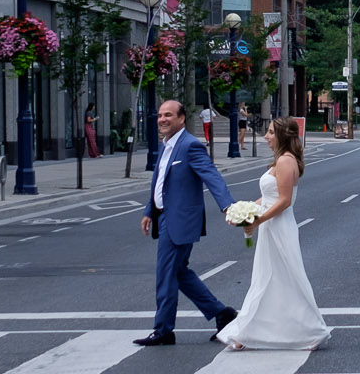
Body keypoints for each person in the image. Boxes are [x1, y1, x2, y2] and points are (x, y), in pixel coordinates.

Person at [215, 118, 329, 352]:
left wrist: (257, 221)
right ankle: (248, 332)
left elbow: (285, 201)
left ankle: (310, 330)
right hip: (271, 226)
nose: (266, 136)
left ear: (283, 137)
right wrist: (243, 210)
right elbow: (268, 198)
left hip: (279, 227)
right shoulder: (280, 160)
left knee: (285, 277)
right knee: (267, 278)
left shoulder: (286, 161)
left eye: (270, 132)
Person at [133, 99, 236, 347]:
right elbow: (160, 183)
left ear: (181, 119)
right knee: (179, 273)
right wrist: (150, 210)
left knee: (166, 274)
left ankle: (164, 329)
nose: (162, 119)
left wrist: (228, 206)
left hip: (180, 220)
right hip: (165, 215)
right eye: (159, 115)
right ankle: (223, 314)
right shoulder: (166, 145)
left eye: (168, 115)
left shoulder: (190, 146)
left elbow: (211, 175)